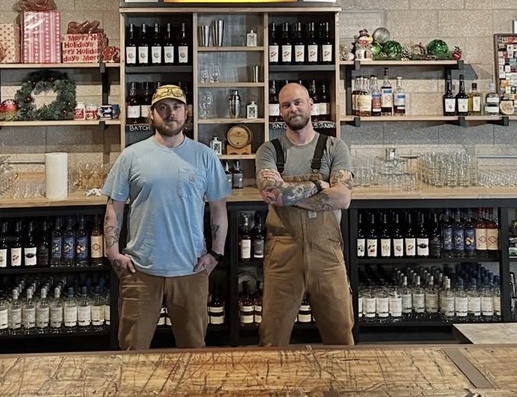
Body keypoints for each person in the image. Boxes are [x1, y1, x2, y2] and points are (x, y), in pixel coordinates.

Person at [102, 84, 230, 350]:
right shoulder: (131, 156)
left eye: (176, 107)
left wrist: (216, 254)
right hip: (140, 271)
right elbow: (115, 207)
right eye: (162, 107)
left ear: (187, 113)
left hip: (191, 270)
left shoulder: (205, 156)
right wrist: (112, 252)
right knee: (132, 350)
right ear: (151, 114)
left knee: (193, 350)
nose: (170, 113)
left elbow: (218, 208)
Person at [255, 82, 355, 346]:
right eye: (286, 105)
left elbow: (343, 198)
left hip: (327, 252)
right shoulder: (269, 151)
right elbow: (272, 194)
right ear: (280, 111)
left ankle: (342, 387)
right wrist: (317, 187)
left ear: (311, 104)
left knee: (341, 334)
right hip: (283, 252)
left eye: (298, 102)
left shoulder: (334, 147)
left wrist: (287, 194)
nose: (293, 108)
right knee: (272, 337)